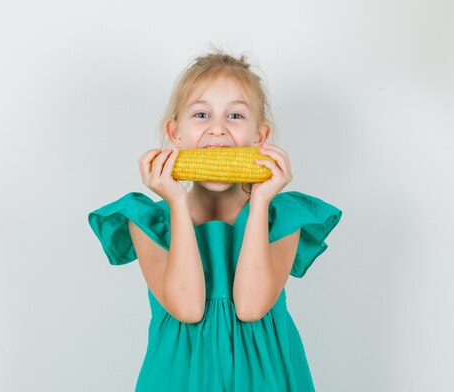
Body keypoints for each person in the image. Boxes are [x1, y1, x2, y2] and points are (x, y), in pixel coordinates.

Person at [87, 48, 343, 391]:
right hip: (180, 378)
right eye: (202, 115)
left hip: (266, 379)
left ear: (260, 137)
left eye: (235, 116)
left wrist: (262, 198)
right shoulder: (149, 221)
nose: (218, 130)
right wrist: (176, 201)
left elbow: (251, 307)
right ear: (175, 133)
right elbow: (188, 308)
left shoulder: (281, 217)